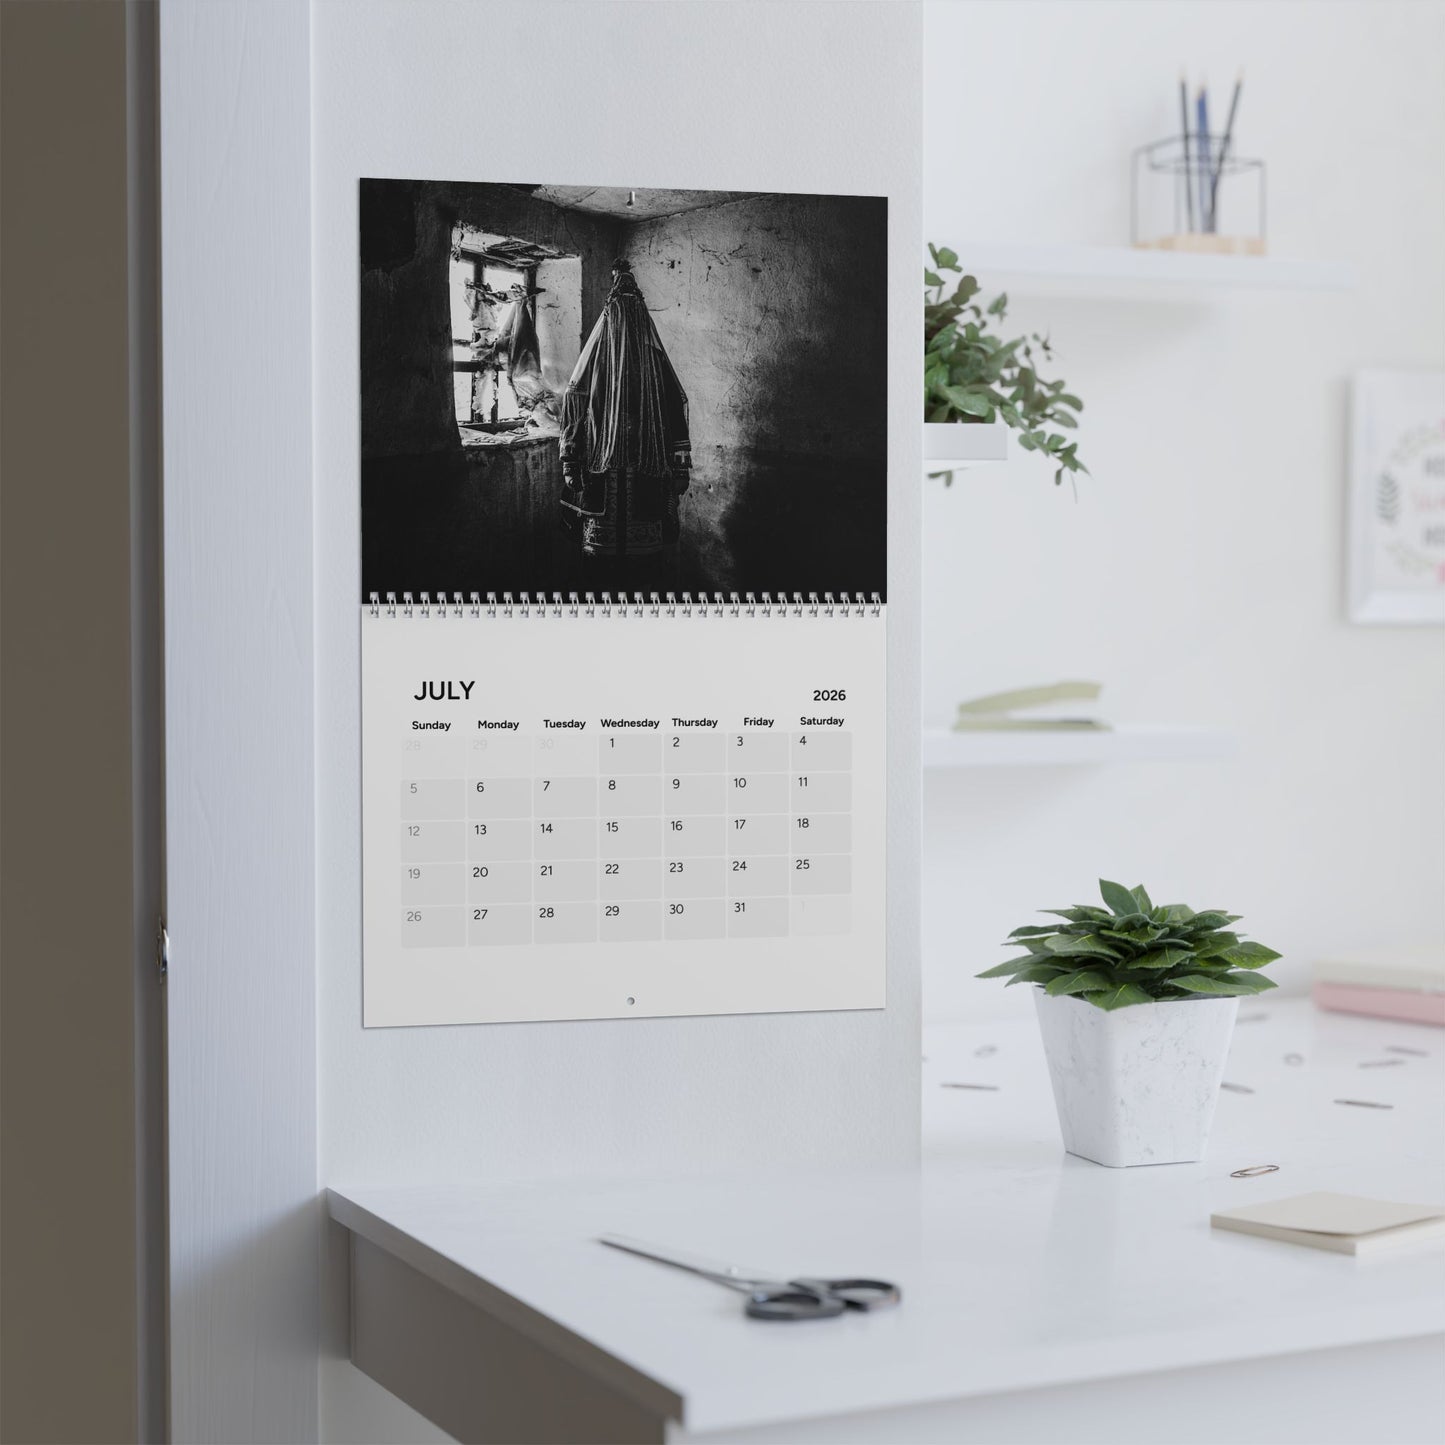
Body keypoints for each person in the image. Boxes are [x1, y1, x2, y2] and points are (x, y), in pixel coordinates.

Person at [558, 259, 692, 564]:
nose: (626, 320)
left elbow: (674, 408)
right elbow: (576, 405)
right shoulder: (595, 362)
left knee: (644, 562)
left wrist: (681, 467)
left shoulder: (654, 362)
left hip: (646, 468)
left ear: (642, 318)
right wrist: (570, 461)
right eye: (620, 313)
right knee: (601, 562)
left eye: (632, 313)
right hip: (601, 469)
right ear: (609, 317)